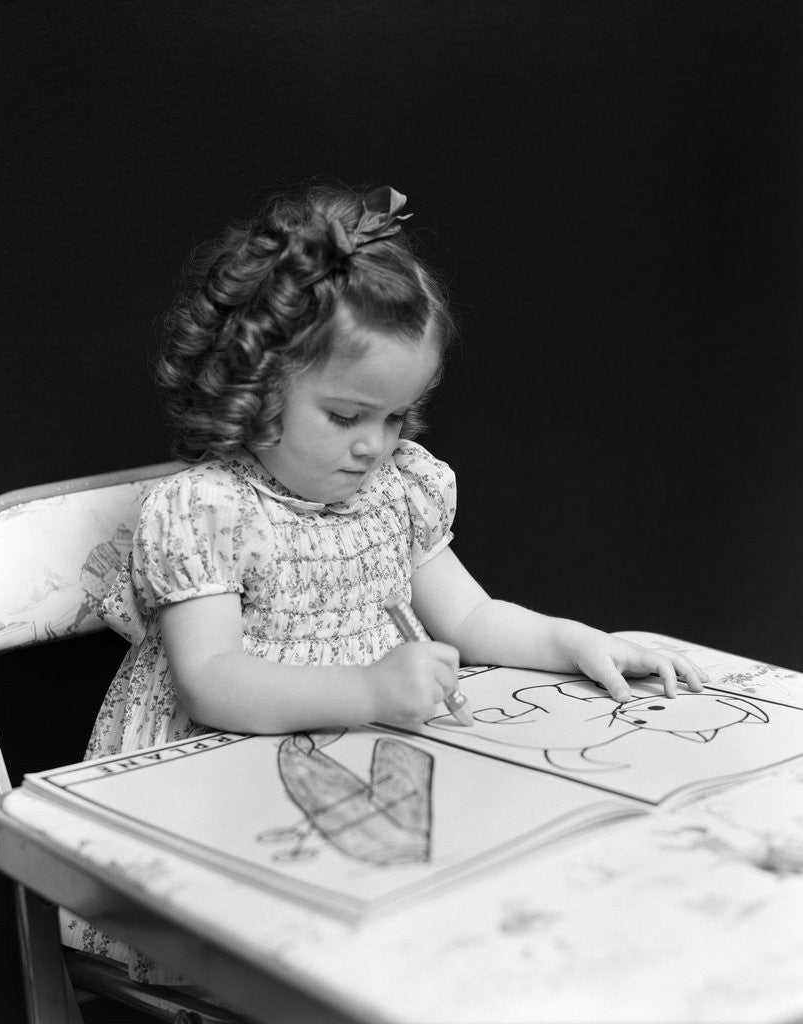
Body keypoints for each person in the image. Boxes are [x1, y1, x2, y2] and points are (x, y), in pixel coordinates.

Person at [65, 181, 707, 984]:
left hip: (373, 766)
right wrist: (368, 692)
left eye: (396, 417)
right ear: (252, 386)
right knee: (307, 952)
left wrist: (575, 642)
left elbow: (469, 615)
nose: (375, 445)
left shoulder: (399, 489)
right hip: (228, 778)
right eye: (345, 416)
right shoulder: (205, 509)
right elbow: (212, 684)